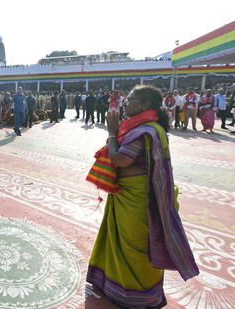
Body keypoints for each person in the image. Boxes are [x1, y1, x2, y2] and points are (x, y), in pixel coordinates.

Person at [86, 85, 199, 308]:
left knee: (135, 246)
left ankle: (136, 296)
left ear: (145, 105)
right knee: (121, 243)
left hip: (137, 200)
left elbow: (120, 160)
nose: (127, 103)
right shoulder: (139, 127)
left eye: (131, 100)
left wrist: (111, 131)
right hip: (127, 194)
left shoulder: (145, 130)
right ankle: (114, 286)